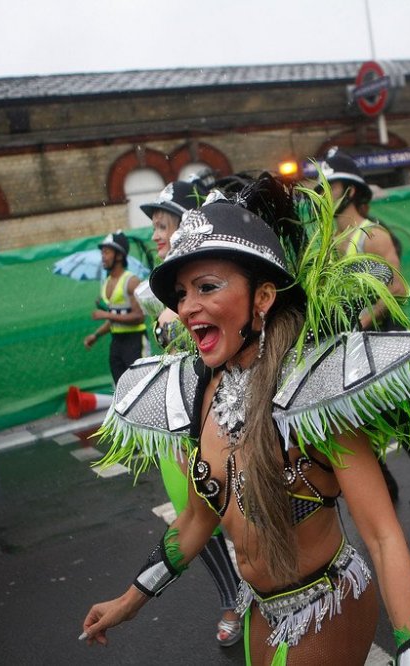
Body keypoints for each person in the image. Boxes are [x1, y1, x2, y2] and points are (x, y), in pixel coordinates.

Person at [81, 174, 410, 663]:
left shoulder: (312, 395)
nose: (188, 308)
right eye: (182, 293)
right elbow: (195, 519)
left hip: (326, 607)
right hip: (259, 610)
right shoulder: (195, 393)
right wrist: (128, 602)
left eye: (207, 287)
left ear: (263, 298)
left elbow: (382, 536)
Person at [135, 178, 246, 648]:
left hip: (226, 412)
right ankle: (232, 598)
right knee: (193, 511)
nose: (157, 234)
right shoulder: (151, 288)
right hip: (177, 424)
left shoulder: (218, 278)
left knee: (246, 508)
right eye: (155, 226)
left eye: (165, 223)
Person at [319, 149, 410, 508]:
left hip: (381, 339)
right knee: (357, 420)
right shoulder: (326, 245)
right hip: (347, 348)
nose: (323, 193)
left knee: (402, 414)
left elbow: (398, 288)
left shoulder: (372, 235)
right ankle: (384, 486)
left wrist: (364, 318)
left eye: (331, 186)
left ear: (352, 190)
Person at [83, 232, 145, 385]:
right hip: (116, 343)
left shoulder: (131, 281)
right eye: (102, 252)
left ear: (119, 255)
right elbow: (114, 319)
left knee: (140, 388)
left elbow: (139, 317)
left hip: (135, 341)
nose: (103, 256)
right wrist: (95, 335)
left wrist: (106, 315)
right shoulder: (107, 282)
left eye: (107, 252)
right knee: (121, 389)